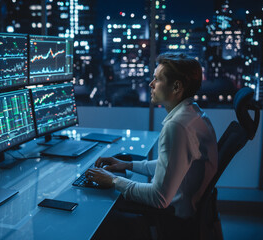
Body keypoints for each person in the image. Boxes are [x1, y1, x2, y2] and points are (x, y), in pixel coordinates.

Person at [87, 53, 218, 238]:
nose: (151, 84)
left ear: (176, 87)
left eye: (157, 79)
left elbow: (159, 198)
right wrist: (127, 165)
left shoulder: (177, 126)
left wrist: (113, 180)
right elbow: (173, 165)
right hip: (187, 210)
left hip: (172, 218)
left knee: (98, 212)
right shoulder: (194, 115)